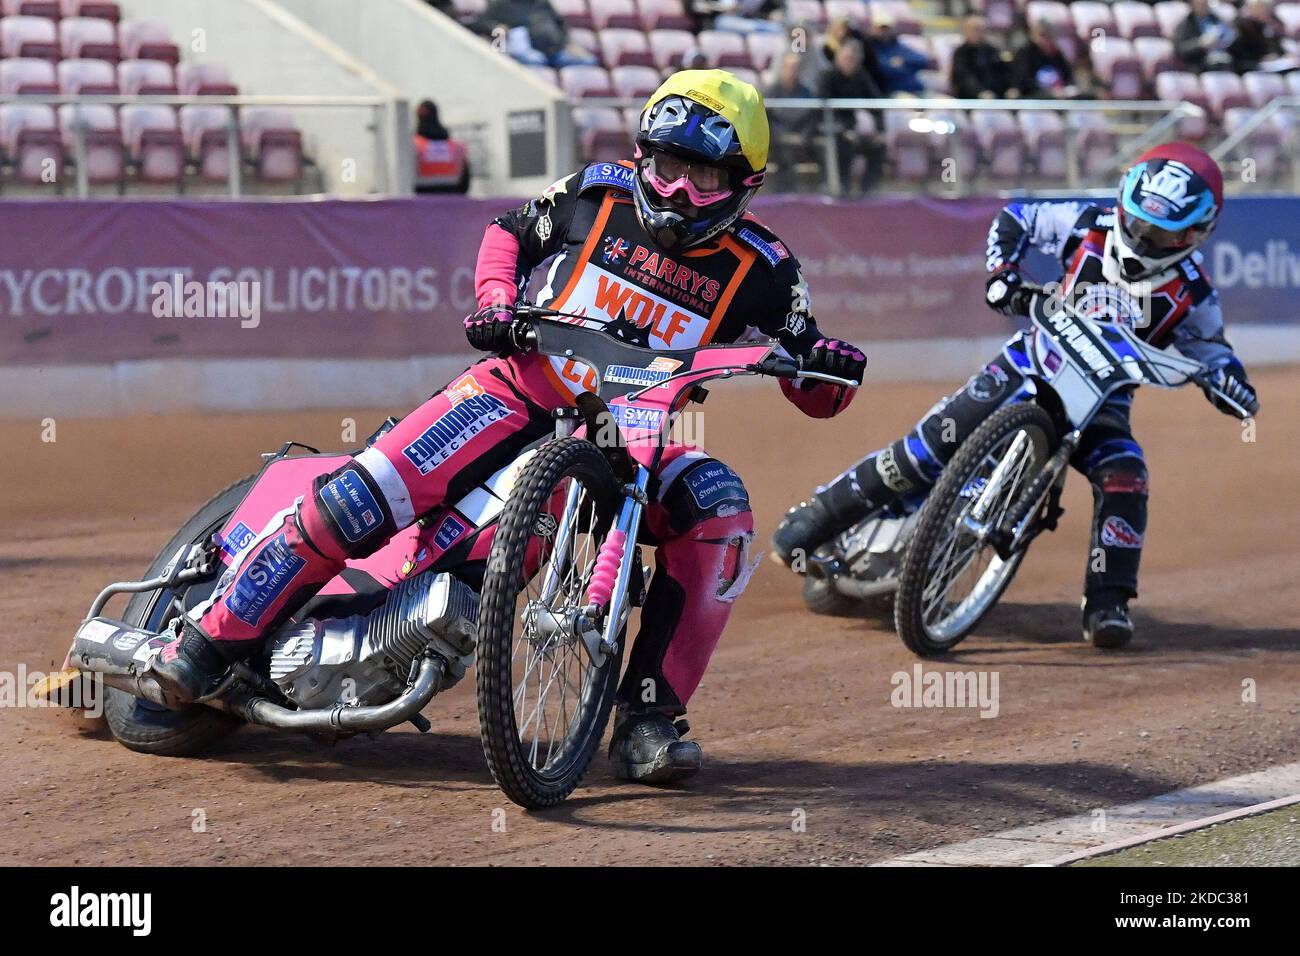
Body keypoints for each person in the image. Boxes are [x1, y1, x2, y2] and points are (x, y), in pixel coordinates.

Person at [151, 70, 867, 785]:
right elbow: (507, 236)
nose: (678, 189)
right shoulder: (597, 189)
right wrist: (496, 301)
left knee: (719, 509)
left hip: (625, 439)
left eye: (703, 175)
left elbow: (816, 390)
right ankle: (211, 642)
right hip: (519, 387)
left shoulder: (770, 270)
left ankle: (648, 717)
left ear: (746, 184)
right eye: (667, 165)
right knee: (364, 492)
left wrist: (825, 368)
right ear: (643, 155)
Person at [772, 143, 1259, 647]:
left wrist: (1230, 383)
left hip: (1103, 407)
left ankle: (1108, 604)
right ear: (1123, 203)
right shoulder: (1085, 221)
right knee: (924, 450)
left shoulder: (1195, 292)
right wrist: (1005, 276)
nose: (1146, 238)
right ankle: (814, 520)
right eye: (1138, 223)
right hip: (1028, 362)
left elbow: (1214, 352)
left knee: (1126, 477)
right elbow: (1016, 218)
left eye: (1162, 233)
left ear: (1198, 234)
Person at [819, 39, 887, 193]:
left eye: (853, 59)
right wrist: (842, 130)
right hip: (830, 131)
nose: (849, 62)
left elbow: (876, 105)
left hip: (852, 129)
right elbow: (821, 110)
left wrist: (880, 130)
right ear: (838, 58)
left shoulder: (861, 76)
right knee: (844, 146)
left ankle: (867, 191)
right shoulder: (827, 76)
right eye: (846, 58)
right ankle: (842, 191)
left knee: (879, 146)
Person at [766, 52, 817, 191]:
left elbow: (812, 119)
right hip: (777, 141)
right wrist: (783, 137)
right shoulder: (771, 92)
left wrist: (802, 136)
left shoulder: (807, 92)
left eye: (795, 67)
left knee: (829, 149)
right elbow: (767, 121)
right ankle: (786, 197)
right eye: (789, 67)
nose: (792, 71)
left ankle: (833, 195)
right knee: (785, 155)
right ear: (782, 68)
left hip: (803, 140)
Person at [867, 9, 932, 95]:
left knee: (947, 102)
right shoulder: (870, 48)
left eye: (887, 28)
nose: (884, 31)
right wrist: (907, 68)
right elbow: (883, 69)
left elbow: (922, 60)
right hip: (893, 92)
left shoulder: (898, 46)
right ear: (873, 28)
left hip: (917, 89)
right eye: (881, 28)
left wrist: (903, 62)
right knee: (911, 104)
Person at [1008, 19, 1078, 98]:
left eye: (1049, 35)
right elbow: (1023, 82)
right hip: (1034, 97)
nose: (1046, 39)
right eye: (1042, 35)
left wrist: (1066, 89)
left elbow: (1068, 78)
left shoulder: (1057, 54)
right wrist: (1049, 92)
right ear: (1033, 35)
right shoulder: (1025, 53)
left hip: (1059, 96)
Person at [950, 14, 1010, 99]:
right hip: (970, 99)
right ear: (966, 31)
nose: (978, 33)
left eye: (981, 29)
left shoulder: (993, 50)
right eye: (975, 29)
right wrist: (979, 92)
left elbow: (1005, 72)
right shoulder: (960, 53)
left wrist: (1011, 88)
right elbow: (963, 77)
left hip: (997, 98)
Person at [1173, 0, 1236, 73]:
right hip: (1201, 65)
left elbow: (1229, 36)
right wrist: (1201, 43)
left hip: (1223, 60)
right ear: (1192, 6)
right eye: (1200, 4)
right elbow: (1180, 49)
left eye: (1206, 4)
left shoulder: (1216, 19)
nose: (1204, 6)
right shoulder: (1186, 24)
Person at [1228, 0, 1288, 74]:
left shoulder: (1266, 26)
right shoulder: (1240, 25)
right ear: (1251, 8)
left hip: (1268, 67)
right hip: (1246, 68)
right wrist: (1261, 59)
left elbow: (1275, 48)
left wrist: (1277, 55)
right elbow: (1239, 55)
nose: (1265, 13)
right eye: (1261, 9)